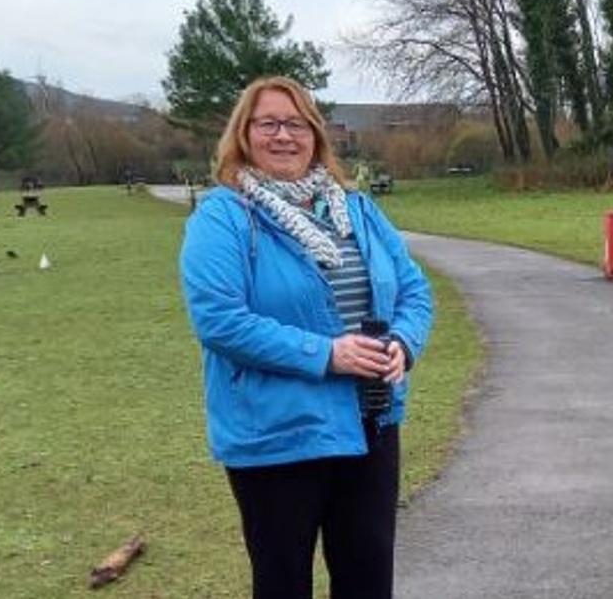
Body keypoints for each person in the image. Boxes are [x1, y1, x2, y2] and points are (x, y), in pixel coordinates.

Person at [178, 76, 434, 599]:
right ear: (243, 134)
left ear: (316, 135)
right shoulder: (223, 217)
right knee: (283, 584)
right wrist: (327, 355)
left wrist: (404, 344)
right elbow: (220, 319)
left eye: (296, 124)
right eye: (268, 123)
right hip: (277, 435)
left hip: (371, 423)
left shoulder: (356, 209)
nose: (283, 136)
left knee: (367, 582)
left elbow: (414, 289)